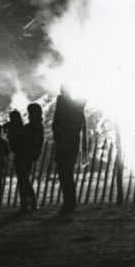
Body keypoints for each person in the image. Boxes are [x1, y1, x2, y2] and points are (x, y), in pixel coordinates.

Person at [52, 85, 87, 214]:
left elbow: (58, 125)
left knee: (65, 175)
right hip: (70, 145)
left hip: (66, 145)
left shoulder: (66, 107)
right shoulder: (71, 107)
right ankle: (69, 202)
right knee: (66, 175)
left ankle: (69, 203)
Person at [13, 104, 44, 212]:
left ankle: (29, 203)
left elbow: (24, 139)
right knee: (23, 180)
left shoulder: (33, 126)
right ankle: (26, 203)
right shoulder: (36, 125)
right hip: (27, 155)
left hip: (24, 155)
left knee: (23, 180)